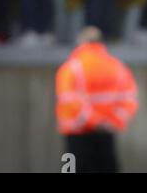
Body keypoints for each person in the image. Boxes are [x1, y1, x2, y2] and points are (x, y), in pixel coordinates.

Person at [55, 26, 139, 173]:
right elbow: (129, 99)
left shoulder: (71, 68)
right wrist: (113, 122)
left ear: (81, 43)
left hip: (78, 134)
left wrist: (93, 121)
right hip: (106, 133)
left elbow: (69, 100)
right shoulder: (117, 66)